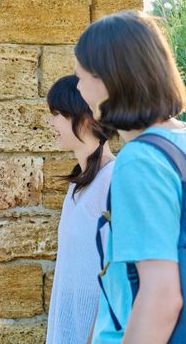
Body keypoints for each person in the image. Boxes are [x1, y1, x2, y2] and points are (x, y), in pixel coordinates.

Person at [74, 10, 186, 343]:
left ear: (109, 80)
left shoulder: (139, 162)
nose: (79, 88)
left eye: (82, 76)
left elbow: (161, 297)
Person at [44, 75, 116, 344]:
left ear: (84, 118)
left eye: (58, 114)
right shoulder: (77, 187)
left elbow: (114, 273)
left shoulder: (112, 180)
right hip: (65, 331)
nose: (52, 123)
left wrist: (93, 337)